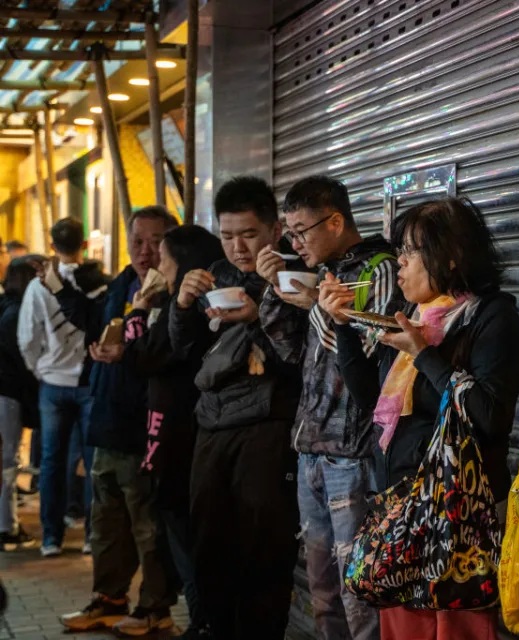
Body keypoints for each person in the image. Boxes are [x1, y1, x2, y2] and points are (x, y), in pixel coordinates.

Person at [319, 196, 519, 640]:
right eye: (400, 252)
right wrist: (341, 326)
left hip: (457, 522)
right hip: (402, 508)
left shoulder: (491, 318)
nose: (400, 263)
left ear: (450, 257)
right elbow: (369, 398)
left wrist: (423, 354)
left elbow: (489, 416)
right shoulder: (417, 316)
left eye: (411, 252)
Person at [258, 175, 402, 640]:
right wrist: (273, 289)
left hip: (351, 452)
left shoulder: (377, 269)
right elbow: (291, 350)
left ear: (336, 221)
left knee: (357, 590)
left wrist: (317, 308)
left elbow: (360, 356)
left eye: (301, 231)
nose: (295, 243)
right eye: (290, 233)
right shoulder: (323, 275)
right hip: (311, 448)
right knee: (322, 588)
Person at [170, 176, 301, 640]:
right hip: (213, 424)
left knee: (263, 550)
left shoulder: (295, 276)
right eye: (227, 236)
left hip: (268, 427)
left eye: (248, 234)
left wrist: (264, 309)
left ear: (274, 231)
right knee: (210, 544)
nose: (238, 247)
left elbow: (303, 358)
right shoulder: (216, 275)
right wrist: (182, 305)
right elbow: (183, 350)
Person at [55, 206, 180, 636]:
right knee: (106, 524)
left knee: (147, 528)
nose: (144, 252)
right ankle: (109, 599)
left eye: (155, 242)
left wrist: (132, 336)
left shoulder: (174, 292)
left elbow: (163, 355)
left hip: (144, 429)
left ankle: (154, 608)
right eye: (137, 241)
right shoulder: (122, 283)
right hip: (106, 421)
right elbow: (100, 328)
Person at [122, 225, 225, 639]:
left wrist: (137, 309)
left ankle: (202, 621)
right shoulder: (181, 306)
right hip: (178, 438)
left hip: (180, 441)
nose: (154, 264)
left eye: (162, 257)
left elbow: (139, 355)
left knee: (189, 538)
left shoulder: (187, 311)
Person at [17, 219, 109, 557]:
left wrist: (39, 369)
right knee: (92, 459)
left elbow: (28, 337)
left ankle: (51, 538)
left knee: (52, 461)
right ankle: (90, 535)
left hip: (52, 384)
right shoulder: (98, 284)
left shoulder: (39, 286)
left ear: (53, 246)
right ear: (83, 244)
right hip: (89, 381)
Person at [0, 258, 41, 549]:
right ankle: (6, 526)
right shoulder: (16, 313)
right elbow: (23, 359)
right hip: (7, 394)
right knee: (8, 460)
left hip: (6, 393)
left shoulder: (5, 306)